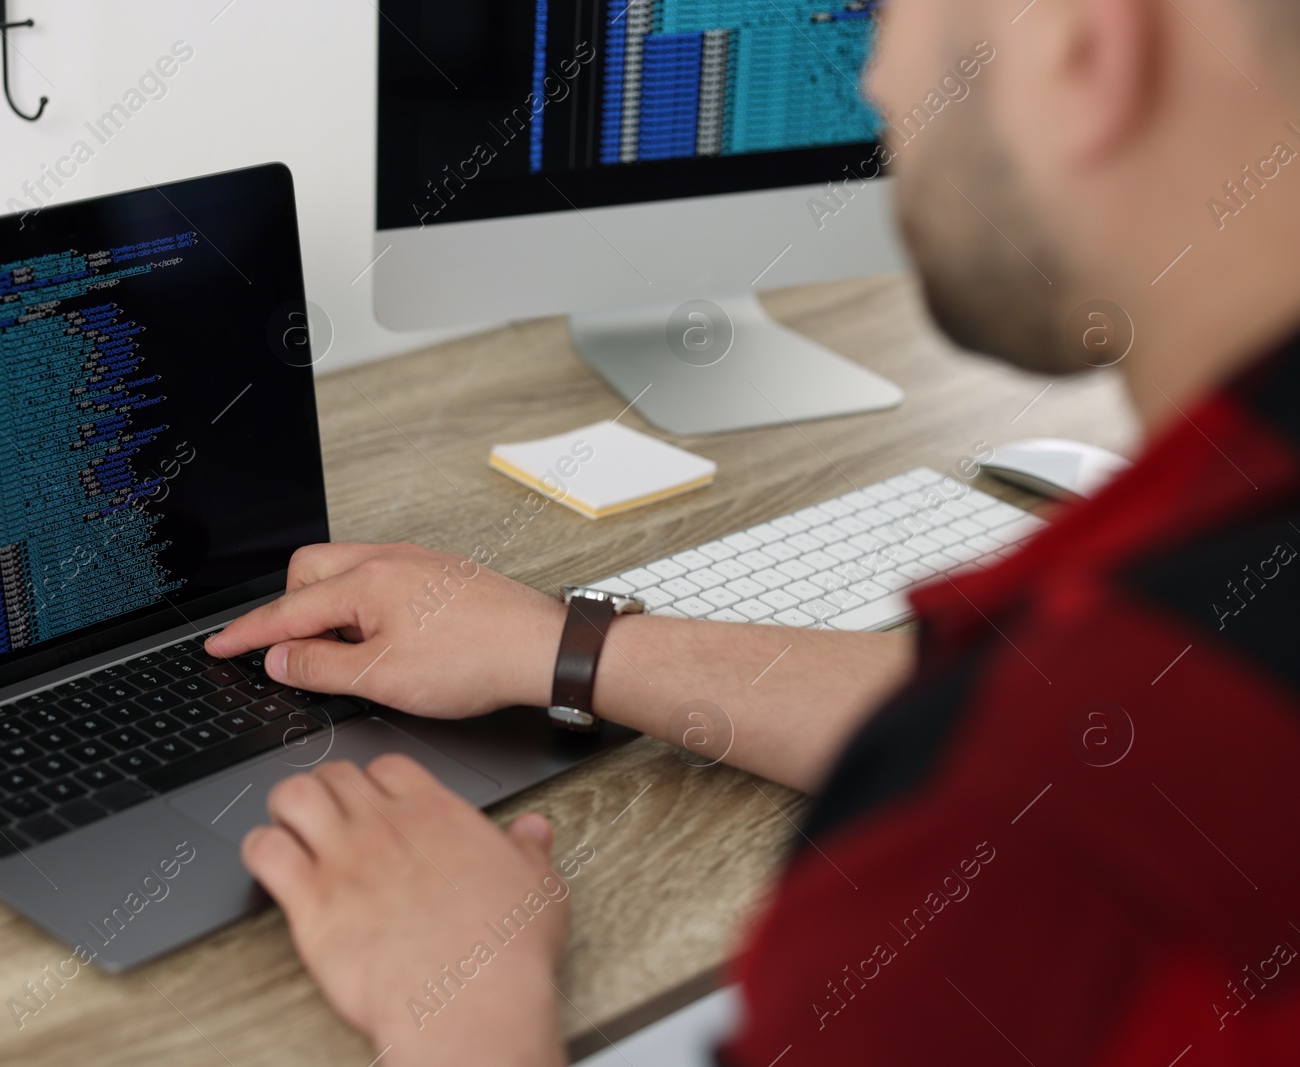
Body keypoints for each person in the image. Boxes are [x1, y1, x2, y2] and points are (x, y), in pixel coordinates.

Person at [206, 0, 1300, 1061]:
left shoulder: (1028, 862)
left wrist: (461, 1004)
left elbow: (1041, 755)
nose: (871, 77)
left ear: (1084, 46)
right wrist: (567, 645)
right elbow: (1076, 721)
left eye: (891, 11)